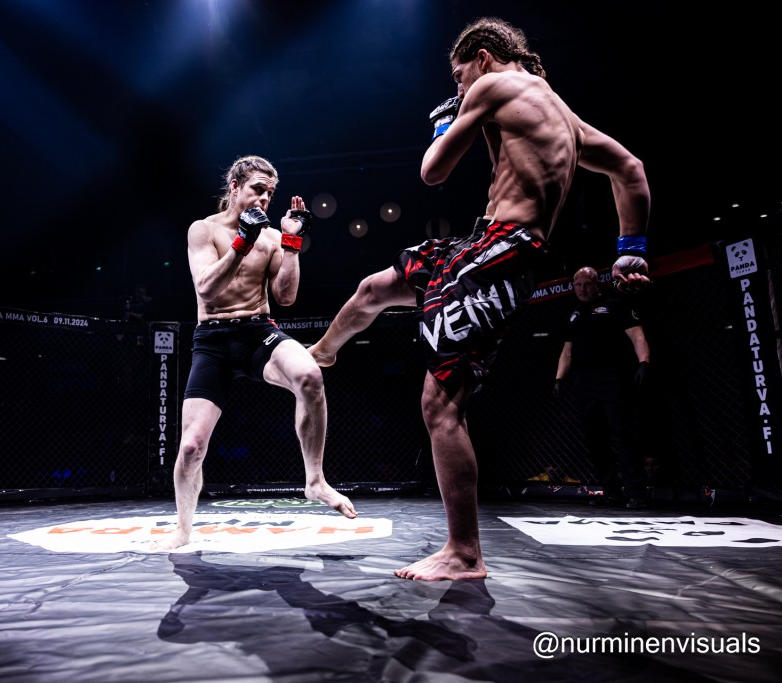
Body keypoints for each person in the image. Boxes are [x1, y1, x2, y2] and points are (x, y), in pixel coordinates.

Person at [308, 17, 651, 581]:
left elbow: (432, 171)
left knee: (440, 403)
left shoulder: (493, 85)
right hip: (485, 243)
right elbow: (630, 170)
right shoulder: (563, 115)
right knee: (376, 287)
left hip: (505, 251)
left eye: (458, 74)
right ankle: (323, 352)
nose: (459, 85)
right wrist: (630, 252)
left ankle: (464, 554)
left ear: (484, 57)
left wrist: (446, 123)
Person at [151, 155, 357, 551]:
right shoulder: (204, 230)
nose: (264, 199)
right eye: (257, 190)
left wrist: (292, 244)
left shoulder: (272, 238)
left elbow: (286, 297)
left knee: (310, 375)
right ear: (235, 187)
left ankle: (315, 480)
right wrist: (241, 242)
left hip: (257, 332)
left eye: (270, 193)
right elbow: (207, 289)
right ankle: (183, 528)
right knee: (191, 447)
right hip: (212, 340)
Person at [553, 266, 651, 508]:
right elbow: (567, 351)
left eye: (587, 283)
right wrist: (559, 379)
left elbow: (637, 335)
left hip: (612, 378)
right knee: (594, 438)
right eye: (578, 284)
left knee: (623, 434)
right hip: (584, 382)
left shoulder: (615, 304)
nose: (582, 289)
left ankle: (637, 493)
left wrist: (643, 362)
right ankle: (611, 492)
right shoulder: (574, 313)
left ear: (597, 284)